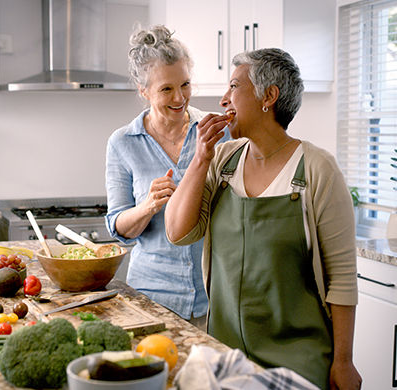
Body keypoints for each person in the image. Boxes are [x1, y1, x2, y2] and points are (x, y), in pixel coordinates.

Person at [165, 48, 362, 389]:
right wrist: (199, 158)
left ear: (269, 96)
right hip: (226, 358)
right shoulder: (222, 159)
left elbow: (342, 279)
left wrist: (343, 362)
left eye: (233, 87)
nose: (224, 99)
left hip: (298, 363)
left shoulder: (317, 169)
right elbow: (178, 232)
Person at [104, 25, 230, 328]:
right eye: (166, 89)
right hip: (150, 299)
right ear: (143, 90)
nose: (179, 97)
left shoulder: (216, 133)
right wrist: (147, 206)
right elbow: (117, 226)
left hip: (214, 297)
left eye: (185, 84)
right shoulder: (122, 143)